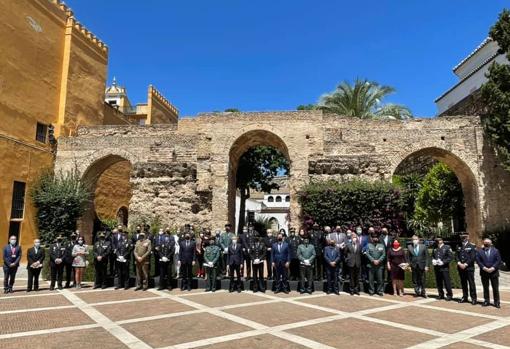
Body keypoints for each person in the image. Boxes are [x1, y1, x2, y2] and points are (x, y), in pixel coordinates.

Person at [476, 238, 501, 308]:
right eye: (485, 242)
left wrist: (493, 268)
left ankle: (497, 302)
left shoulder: (496, 251)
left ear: (491, 243)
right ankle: (486, 300)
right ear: (483, 243)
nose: (486, 244)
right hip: (484, 272)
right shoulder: (480, 251)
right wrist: (484, 268)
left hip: (494, 272)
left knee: (495, 288)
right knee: (485, 287)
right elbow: (478, 261)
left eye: (488, 242)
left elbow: (498, 260)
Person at [456, 233, 477, 305]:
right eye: (462, 237)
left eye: (465, 237)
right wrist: (459, 263)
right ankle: (465, 297)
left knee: (471, 283)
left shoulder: (472, 245)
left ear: (468, 237)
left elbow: (473, 257)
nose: (463, 238)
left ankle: (474, 298)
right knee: (463, 283)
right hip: (461, 268)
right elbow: (456, 256)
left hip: (469, 268)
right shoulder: (458, 246)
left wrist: (465, 264)